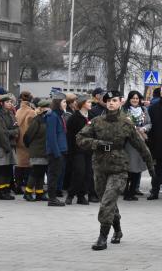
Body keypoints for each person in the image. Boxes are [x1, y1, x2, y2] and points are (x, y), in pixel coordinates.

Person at [76, 90, 155, 251]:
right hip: (100, 166)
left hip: (119, 168)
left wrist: (152, 169)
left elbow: (141, 146)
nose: (111, 103)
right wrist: (98, 144)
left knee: (107, 200)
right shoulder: (96, 121)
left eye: (114, 100)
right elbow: (80, 138)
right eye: (108, 100)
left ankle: (102, 236)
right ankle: (117, 230)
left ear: (120, 102)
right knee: (107, 200)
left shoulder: (126, 123)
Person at [121, 90, 152, 201]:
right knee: (129, 167)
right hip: (128, 143)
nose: (135, 100)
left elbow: (149, 123)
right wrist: (131, 128)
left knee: (137, 167)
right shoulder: (124, 110)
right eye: (133, 98)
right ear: (129, 99)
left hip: (140, 141)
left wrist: (144, 128)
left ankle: (133, 190)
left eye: (137, 98)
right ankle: (126, 192)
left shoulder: (144, 110)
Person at [65, 95, 94, 205]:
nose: (91, 104)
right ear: (82, 104)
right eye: (89, 102)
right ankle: (71, 194)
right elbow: (70, 136)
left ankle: (81, 196)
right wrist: (70, 151)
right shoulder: (74, 118)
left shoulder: (92, 116)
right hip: (77, 150)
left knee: (88, 174)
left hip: (89, 150)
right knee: (79, 172)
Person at [24, 99, 50, 202]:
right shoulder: (37, 120)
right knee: (36, 171)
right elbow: (28, 136)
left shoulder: (47, 119)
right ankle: (28, 192)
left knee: (41, 171)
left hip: (44, 150)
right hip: (37, 150)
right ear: (43, 108)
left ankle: (40, 193)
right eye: (48, 107)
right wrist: (30, 147)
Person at [0, 94, 19, 200]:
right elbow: (1, 133)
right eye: (8, 102)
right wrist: (7, 146)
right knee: (2, 169)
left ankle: (6, 190)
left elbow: (18, 129)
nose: (10, 104)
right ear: (2, 103)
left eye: (11, 102)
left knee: (8, 169)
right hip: (2, 146)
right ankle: (1, 192)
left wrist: (12, 131)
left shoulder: (11, 114)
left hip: (10, 145)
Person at [45, 93, 68, 207]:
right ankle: (52, 199)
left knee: (56, 175)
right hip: (55, 151)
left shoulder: (59, 115)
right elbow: (51, 136)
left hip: (60, 150)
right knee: (53, 175)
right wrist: (57, 152)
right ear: (58, 103)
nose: (66, 104)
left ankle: (53, 198)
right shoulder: (52, 116)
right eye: (64, 102)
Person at [15, 91, 36, 194]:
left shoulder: (18, 111)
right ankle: (28, 188)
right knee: (28, 166)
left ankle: (18, 186)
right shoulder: (32, 112)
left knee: (19, 165)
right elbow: (33, 128)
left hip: (18, 141)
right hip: (28, 142)